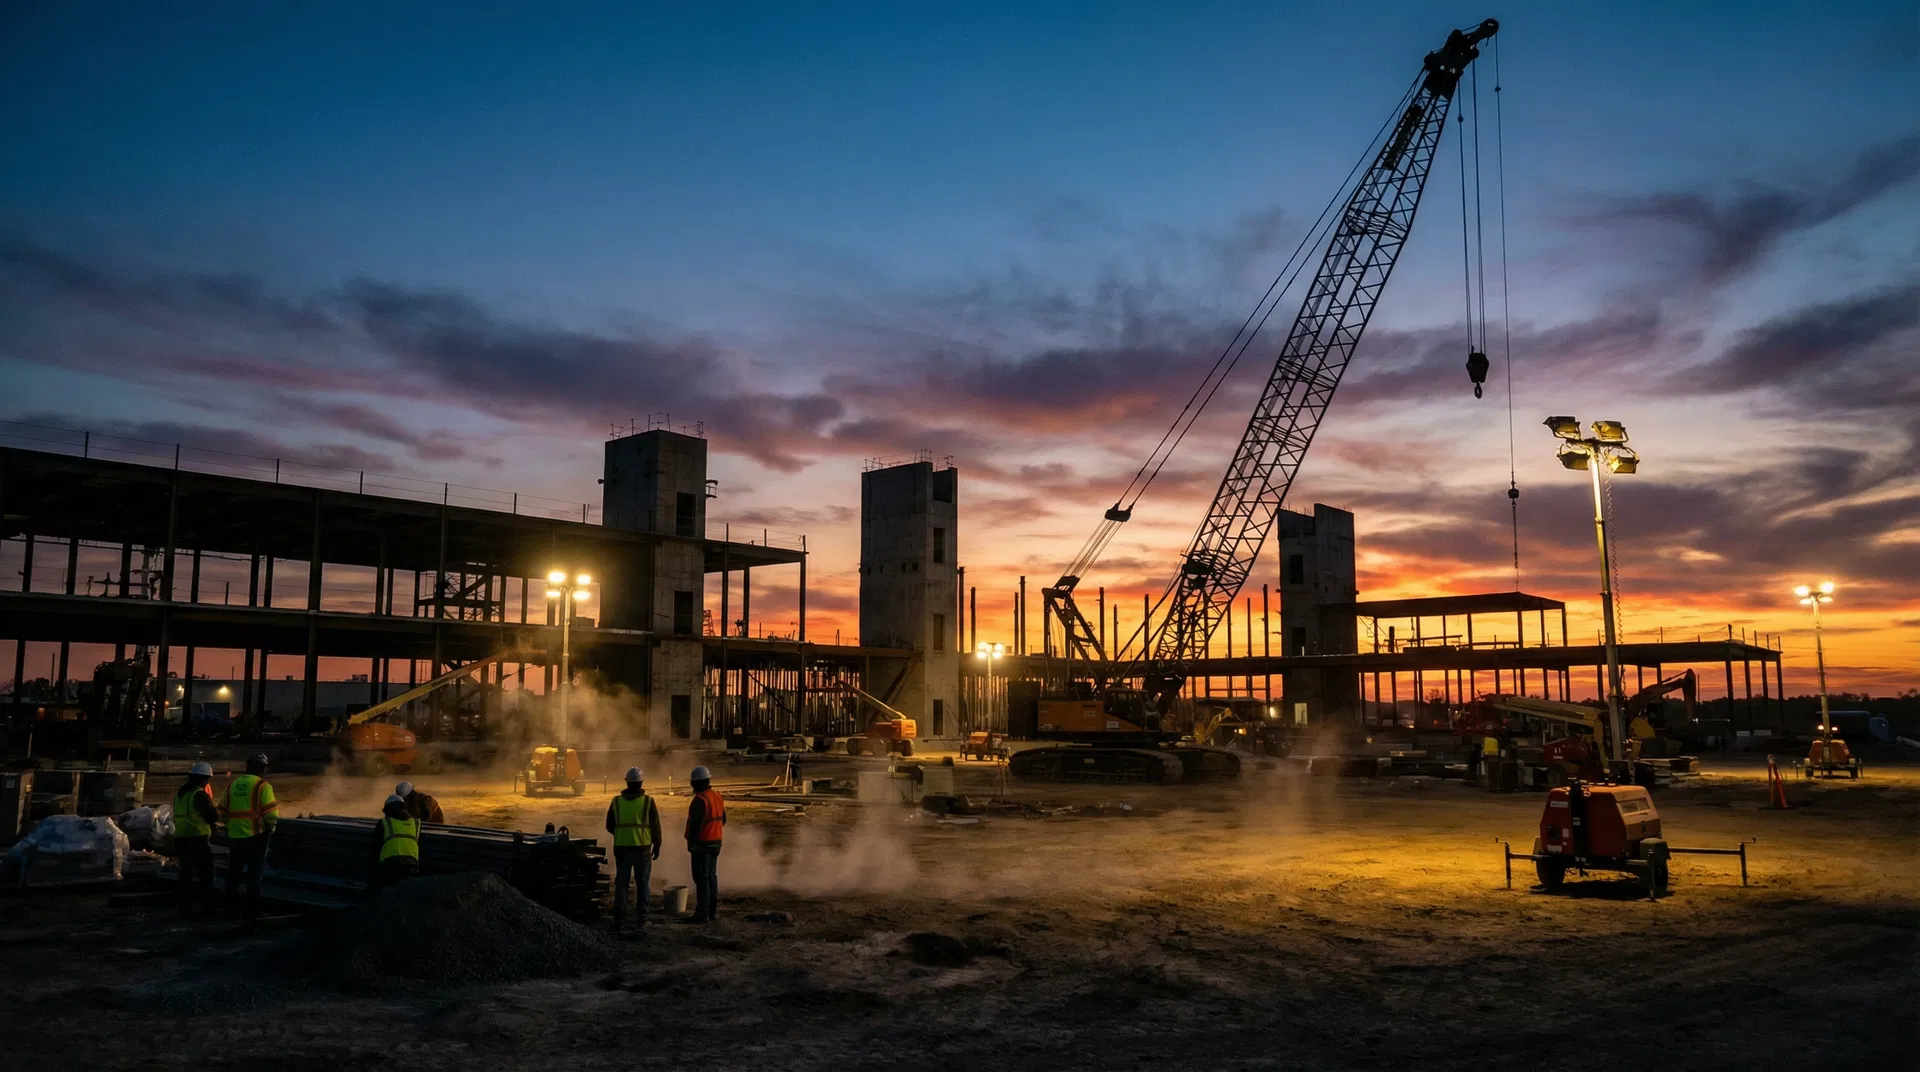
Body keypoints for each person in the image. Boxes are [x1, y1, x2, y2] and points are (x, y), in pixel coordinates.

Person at [604, 766, 662, 934]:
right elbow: (655, 826)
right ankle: (642, 920)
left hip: (622, 849)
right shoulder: (648, 802)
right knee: (642, 884)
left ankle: (618, 920)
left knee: (621, 884)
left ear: (627, 783)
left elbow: (609, 826)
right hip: (642, 849)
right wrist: (657, 844)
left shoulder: (616, 801)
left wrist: (622, 834)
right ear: (641, 783)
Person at [221, 752, 278, 920]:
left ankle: (230, 909)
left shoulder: (232, 785)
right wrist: (271, 829)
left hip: (235, 837)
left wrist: (232, 826)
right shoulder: (263, 786)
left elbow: (221, 812)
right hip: (257, 836)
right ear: (263, 768)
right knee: (254, 876)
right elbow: (271, 814)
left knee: (234, 874)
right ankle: (250, 911)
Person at [172, 761, 221, 917]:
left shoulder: (179, 794)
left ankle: (183, 906)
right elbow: (212, 816)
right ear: (203, 778)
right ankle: (208, 907)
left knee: (185, 874)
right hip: (198, 838)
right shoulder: (198, 794)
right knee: (206, 873)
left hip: (181, 838)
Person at [683, 765, 726, 924]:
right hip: (716, 842)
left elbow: (695, 825)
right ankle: (712, 912)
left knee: (701, 879)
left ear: (696, 783)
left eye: (693, 783)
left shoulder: (700, 800)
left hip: (702, 844)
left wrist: (692, 843)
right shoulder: (716, 797)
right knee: (711, 877)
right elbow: (723, 819)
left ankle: (702, 913)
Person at [370, 793, 421, 889]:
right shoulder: (416, 823)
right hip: (412, 865)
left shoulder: (384, 823)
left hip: (389, 865)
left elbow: (375, 849)